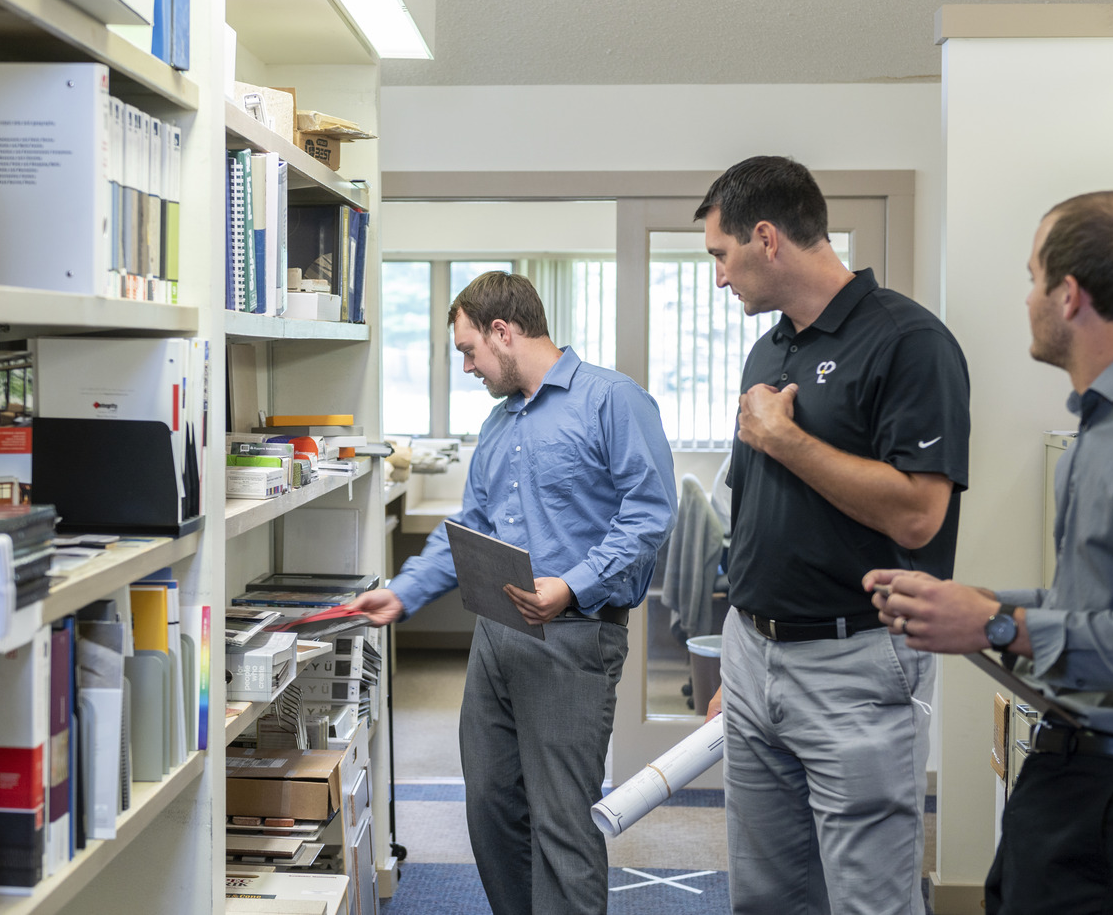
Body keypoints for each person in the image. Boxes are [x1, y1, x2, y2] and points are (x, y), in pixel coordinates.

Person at [866, 191, 1113, 915]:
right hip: (1077, 778)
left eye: (1033, 277)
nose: (1025, 297)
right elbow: (1100, 608)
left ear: (1068, 296)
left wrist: (999, 628)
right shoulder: (1111, 423)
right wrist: (972, 607)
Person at [350, 271, 676, 915]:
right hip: (496, 637)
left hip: (575, 636)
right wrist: (404, 593)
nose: (468, 367)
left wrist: (572, 586)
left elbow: (648, 515)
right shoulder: (500, 425)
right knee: (492, 808)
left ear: (503, 332)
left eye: (469, 350)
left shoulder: (612, 399)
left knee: (561, 821)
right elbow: (470, 529)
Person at [699, 156, 971, 915]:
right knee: (766, 898)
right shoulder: (770, 348)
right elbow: (756, 512)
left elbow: (920, 513)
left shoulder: (910, 343)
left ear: (765, 238)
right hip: (756, 654)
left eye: (722, 255)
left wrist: (786, 440)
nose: (720, 278)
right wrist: (739, 652)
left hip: (856, 663)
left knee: (868, 903)